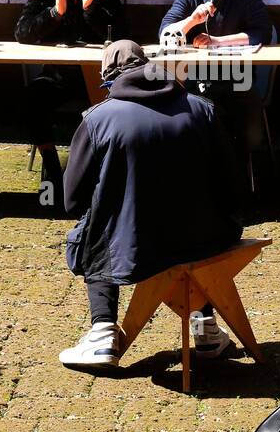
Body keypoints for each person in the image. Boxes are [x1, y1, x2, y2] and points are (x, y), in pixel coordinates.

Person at [59, 40, 243, 367]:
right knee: (186, 223)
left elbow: (72, 201)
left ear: (110, 80)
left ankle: (102, 332)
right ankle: (206, 328)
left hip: (133, 248)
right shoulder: (203, 108)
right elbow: (233, 186)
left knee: (96, 225)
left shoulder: (97, 119)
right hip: (207, 242)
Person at [15, 0, 127, 199]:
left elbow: (122, 34)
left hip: (100, 78)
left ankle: (105, 171)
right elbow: (23, 32)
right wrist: (55, 13)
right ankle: (51, 162)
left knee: (118, 110)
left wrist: (91, 10)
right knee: (32, 100)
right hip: (59, 75)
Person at [158, 0, 274, 165]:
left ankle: (238, 179)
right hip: (197, 79)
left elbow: (263, 32)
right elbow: (165, 33)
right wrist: (192, 21)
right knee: (195, 126)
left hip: (239, 79)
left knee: (248, 134)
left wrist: (217, 41)